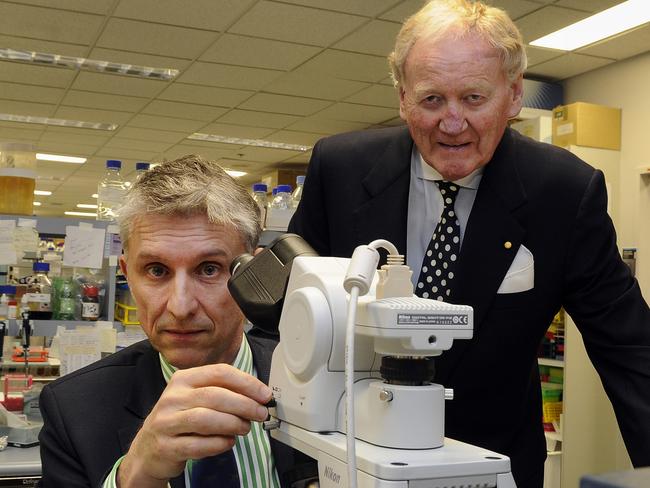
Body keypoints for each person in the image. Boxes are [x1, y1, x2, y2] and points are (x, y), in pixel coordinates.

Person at [288, 1, 650, 486]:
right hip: (349, 456)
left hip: (493, 460)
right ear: (402, 99)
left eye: (474, 98)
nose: (452, 122)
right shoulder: (340, 170)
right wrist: (296, 465)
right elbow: (288, 324)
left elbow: (629, 349)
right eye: (431, 99)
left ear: (514, 95)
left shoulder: (563, 192)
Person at [39, 155, 316, 487]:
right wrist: (134, 475)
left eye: (209, 269)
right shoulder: (74, 410)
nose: (180, 307)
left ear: (255, 275)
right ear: (128, 274)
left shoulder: (321, 382)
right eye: (157, 271)